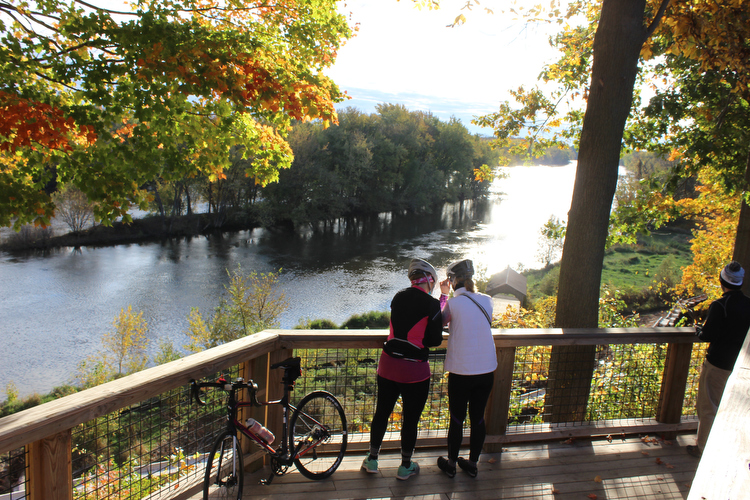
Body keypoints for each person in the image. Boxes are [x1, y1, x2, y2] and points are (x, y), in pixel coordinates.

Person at [361, 258, 444, 480]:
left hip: (388, 365)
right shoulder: (432, 304)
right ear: (430, 281)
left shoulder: (398, 296)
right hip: (414, 370)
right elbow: (434, 340)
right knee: (410, 419)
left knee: (382, 412)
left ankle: (372, 459)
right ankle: (405, 466)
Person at [436, 259, 497, 478]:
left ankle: (452, 464)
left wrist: (443, 295)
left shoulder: (453, 304)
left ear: (452, 281)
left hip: (461, 371)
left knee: (457, 419)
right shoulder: (487, 300)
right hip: (486, 370)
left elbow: (438, 323)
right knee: (478, 418)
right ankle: (472, 464)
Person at [687, 260, 750, 458]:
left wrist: (698, 330)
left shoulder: (719, 305)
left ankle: (704, 450)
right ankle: (728, 448)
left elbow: (708, 335)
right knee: (735, 409)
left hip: (718, 365)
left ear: (722, 281)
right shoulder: (748, 304)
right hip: (741, 366)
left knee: (709, 407)